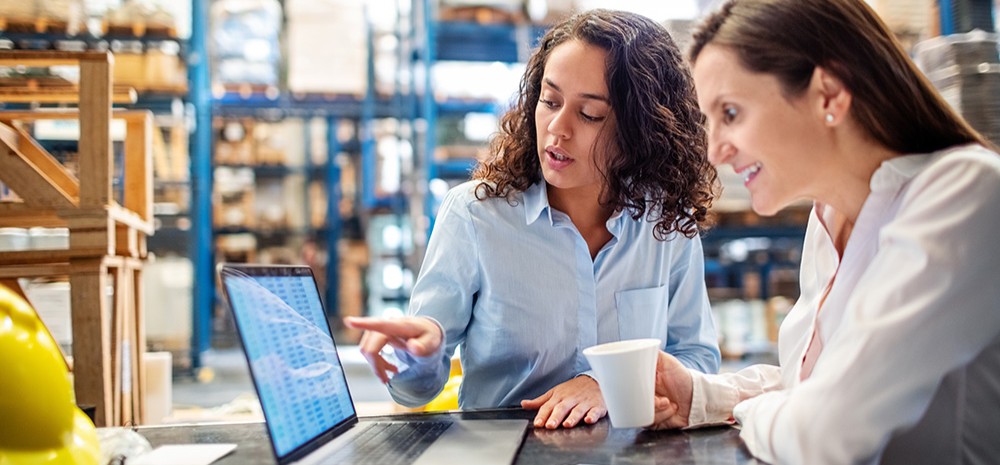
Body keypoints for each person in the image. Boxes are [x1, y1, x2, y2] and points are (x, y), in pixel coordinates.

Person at [649, 0, 1000, 463]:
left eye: (730, 113)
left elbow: (825, 432)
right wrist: (700, 394)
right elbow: (825, 382)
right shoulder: (828, 217)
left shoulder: (963, 191)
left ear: (829, 94)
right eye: (707, 122)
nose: (714, 152)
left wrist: (758, 412)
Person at [345, 9, 720, 430]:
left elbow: (698, 359)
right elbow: (414, 391)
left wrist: (605, 384)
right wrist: (422, 356)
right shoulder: (474, 215)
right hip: (505, 448)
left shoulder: (665, 223)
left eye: (589, 114)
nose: (558, 128)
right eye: (550, 100)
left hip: (633, 452)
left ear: (641, 130)